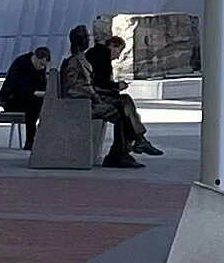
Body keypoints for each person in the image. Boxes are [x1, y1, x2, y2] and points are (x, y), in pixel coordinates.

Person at [61, 25, 160, 167]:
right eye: (85, 39)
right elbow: (74, 89)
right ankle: (128, 148)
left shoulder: (81, 59)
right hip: (81, 104)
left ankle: (128, 149)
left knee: (123, 105)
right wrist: (96, 96)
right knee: (122, 109)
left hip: (88, 100)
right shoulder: (76, 61)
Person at [89, 32, 163, 157]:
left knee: (125, 105)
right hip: (93, 98)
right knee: (124, 106)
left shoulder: (99, 55)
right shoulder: (102, 56)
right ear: (112, 45)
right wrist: (117, 86)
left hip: (95, 94)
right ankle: (138, 140)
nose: (118, 57)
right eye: (119, 51)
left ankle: (133, 145)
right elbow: (100, 82)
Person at [0, 46, 50, 148]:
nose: (42, 68)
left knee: (37, 103)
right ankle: (30, 140)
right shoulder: (21, 63)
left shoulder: (39, 68)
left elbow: (41, 83)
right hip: (10, 98)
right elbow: (18, 85)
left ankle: (35, 138)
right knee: (34, 104)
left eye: (44, 66)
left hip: (27, 98)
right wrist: (34, 92)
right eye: (41, 64)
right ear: (35, 58)